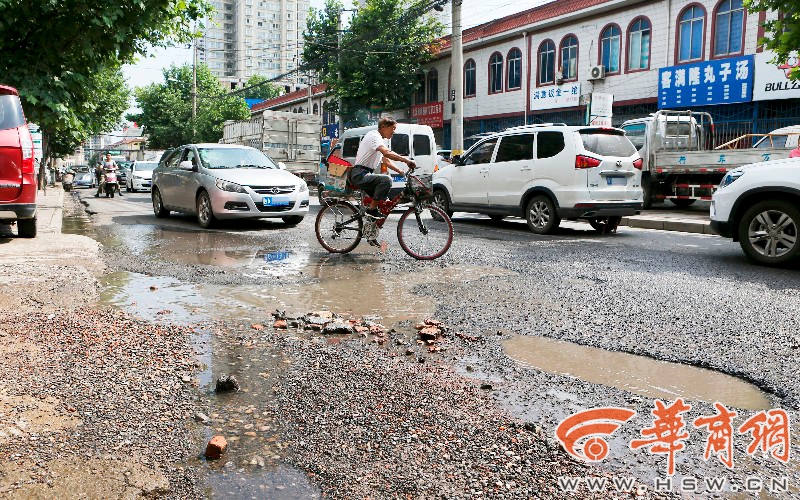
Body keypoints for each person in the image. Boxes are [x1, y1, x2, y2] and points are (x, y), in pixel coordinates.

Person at [349, 117, 415, 219]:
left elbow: (385, 160)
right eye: (392, 128)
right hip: (360, 174)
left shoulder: (378, 140)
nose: (394, 131)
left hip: (365, 174)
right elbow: (387, 153)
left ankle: (370, 224)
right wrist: (407, 161)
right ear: (383, 127)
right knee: (386, 180)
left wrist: (400, 171)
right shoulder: (374, 136)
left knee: (384, 202)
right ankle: (371, 210)